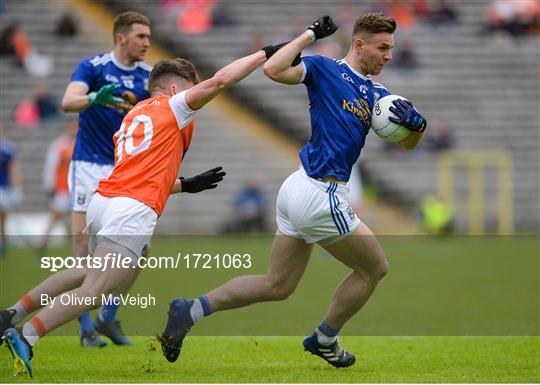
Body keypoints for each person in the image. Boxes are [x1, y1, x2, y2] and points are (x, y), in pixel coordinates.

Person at [0, 42, 285, 377]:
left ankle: (12, 313)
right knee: (95, 290)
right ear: (176, 89)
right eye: (190, 90)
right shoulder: (174, 106)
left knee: (89, 271)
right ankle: (26, 335)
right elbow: (220, 81)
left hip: (104, 201)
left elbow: (140, 173)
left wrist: (183, 184)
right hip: (130, 210)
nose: (195, 98)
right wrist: (265, 53)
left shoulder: (134, 114)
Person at [159, 13, 427, 368]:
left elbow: (406, 144)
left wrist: (417, 126)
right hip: (319, 192)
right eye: (383, 47)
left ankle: (191, 310)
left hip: (300, 189)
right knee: (374, 268)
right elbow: (273, 70)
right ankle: (325, 338)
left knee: (277, 285)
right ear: (359, 44)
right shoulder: (324, 69)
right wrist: (309, 34)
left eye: (391, 48)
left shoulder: (379, 95)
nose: (389, 55)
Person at [60, 11, 152, 348]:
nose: (147, 42)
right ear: (120, 38)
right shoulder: (93, 68)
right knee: (83, 248)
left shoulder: (147, 77)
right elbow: (68, 101)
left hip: (125, 170)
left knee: (140, 248)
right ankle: (84, 327)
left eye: (148, 36)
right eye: (140, 36)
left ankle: (108, 318)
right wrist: (93, 99)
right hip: (88, 166)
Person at [38, 120, 77, 253]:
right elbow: (51, 166)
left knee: (69, 217)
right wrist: (49, 185)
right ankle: (43, 242)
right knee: (56, 215)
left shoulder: (80, 144)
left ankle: (71, 244)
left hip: (75, 188)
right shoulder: (59, 145)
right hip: (62, 188)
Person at [0, 123, 23, 257]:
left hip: (3, 188)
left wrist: (16, 187)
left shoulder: (7, 148)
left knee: (2, 217)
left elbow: (14, 169)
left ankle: (3, 242)